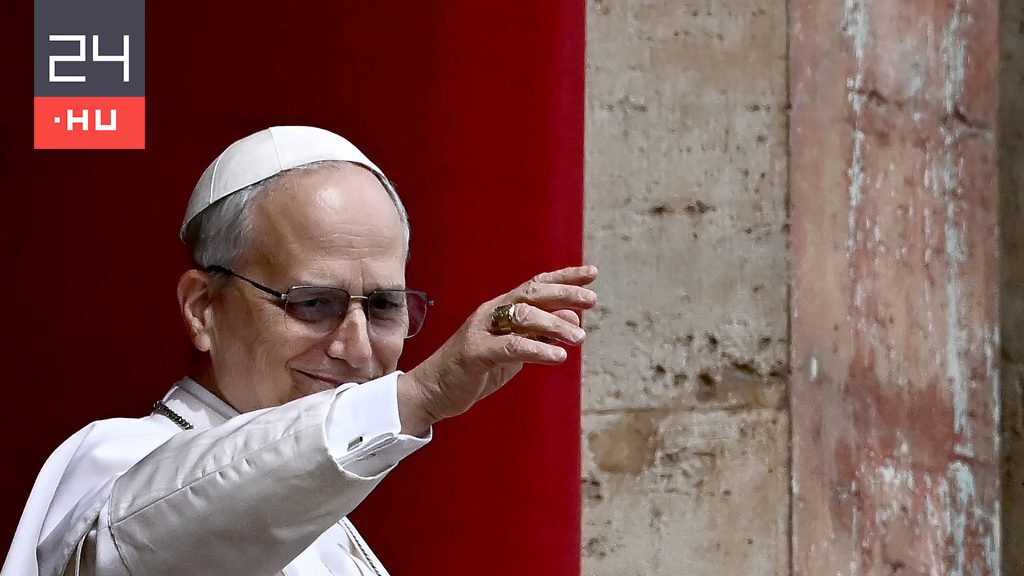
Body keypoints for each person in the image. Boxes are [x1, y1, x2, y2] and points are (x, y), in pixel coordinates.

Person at [1, 126, 598, 576]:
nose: (356, 348)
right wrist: (416, 397)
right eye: (312, 303)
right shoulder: (117, 461)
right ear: (203, 309)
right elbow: (158, 530)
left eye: (383, 306)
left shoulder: (325, 521)